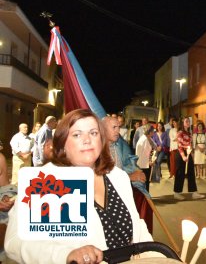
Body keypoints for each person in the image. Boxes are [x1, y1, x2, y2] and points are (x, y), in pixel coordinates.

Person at [5, 109, 152, 264]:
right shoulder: (47, 181)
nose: (87, 140)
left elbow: (138, 229)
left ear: (101, 140)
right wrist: (65, 255)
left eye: (93, 133)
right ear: (62, 143)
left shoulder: (118, 177)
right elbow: (16, 242)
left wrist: (156, 256)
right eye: (77, 134)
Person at [103, 116, 153, 233]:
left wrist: (136, 171)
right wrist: (130, 177)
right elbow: (104, 178)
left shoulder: (118, 146)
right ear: (103, 129)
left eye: (118, 127)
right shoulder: (98, 150)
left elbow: (124, 165)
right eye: (114, 127)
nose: (118, 131)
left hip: (122, 193)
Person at [174, 117, 203, 200]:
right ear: (182, 123)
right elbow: (179, 145)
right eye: (186, 121)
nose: (188, 122)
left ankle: (194, 192)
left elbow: (190, 145)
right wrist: (183, 156)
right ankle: (177, 193)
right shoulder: (180, 132)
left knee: (191, 173)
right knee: (180, 174)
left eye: (189, 121)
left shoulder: (189, 133)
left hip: (189, 153)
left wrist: (191, 155)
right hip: (181, 154)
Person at [136, 126, 156, 192]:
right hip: (143, 164)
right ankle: (145, 198)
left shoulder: (147, 138)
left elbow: (155, 146)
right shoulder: (144, 140)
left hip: (144, 163)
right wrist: (149, 162)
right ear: (150, 132)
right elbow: (144, 154)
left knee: (145, 182)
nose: (154, 133)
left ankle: (145, 197)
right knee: (144, 182)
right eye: (153, 131)